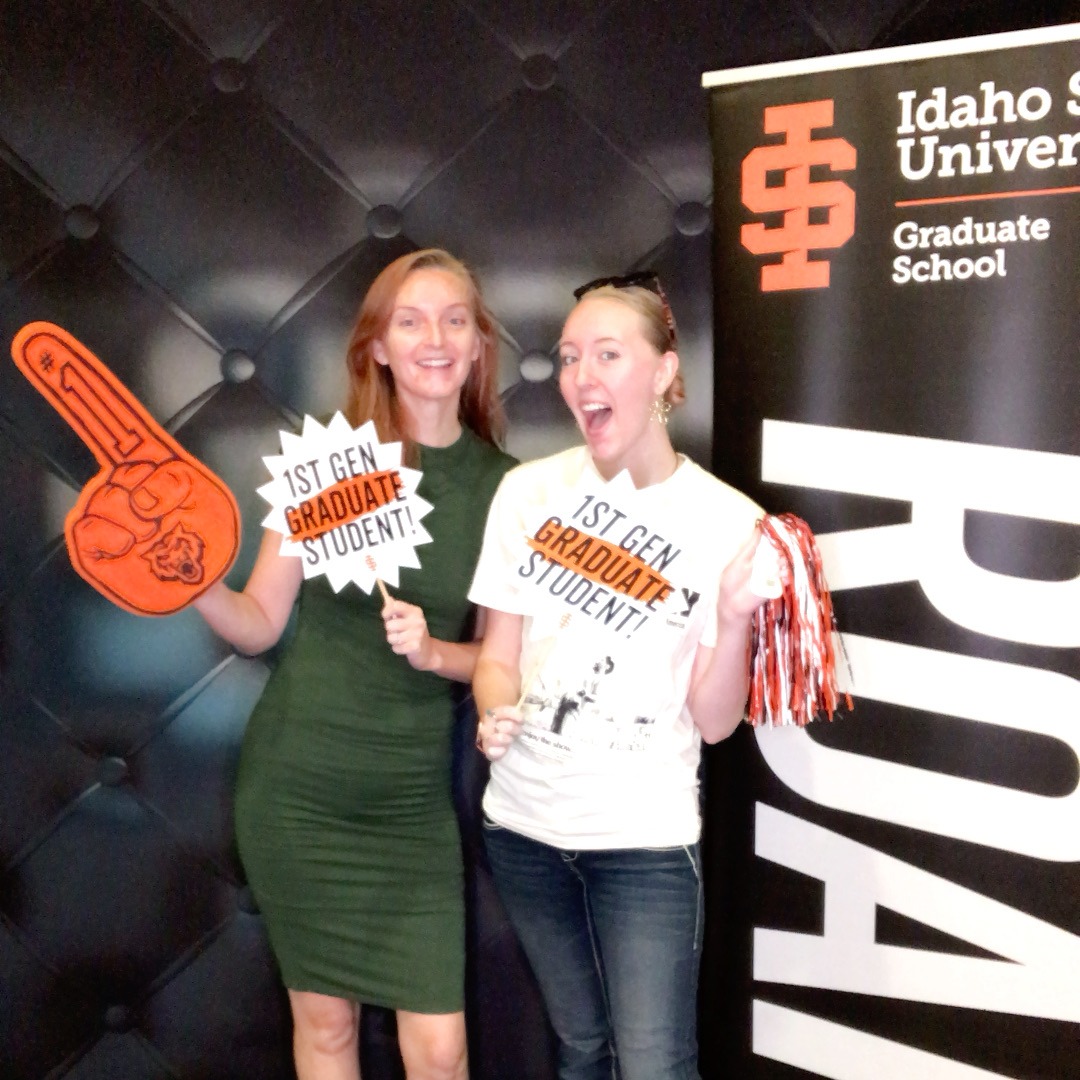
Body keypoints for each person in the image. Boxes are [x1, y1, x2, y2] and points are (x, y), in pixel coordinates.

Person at [193, 249, 516, 1080]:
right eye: (410, 321)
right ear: (377, 347)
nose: (434, 339)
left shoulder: (512, 491)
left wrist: (436, 650)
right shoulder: (332, 468)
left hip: (410, 809)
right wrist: (186, 581)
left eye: (454, 320)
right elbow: (260, 622)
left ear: (479, 345)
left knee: (440, 1054)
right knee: (327, 1031)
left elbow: (510, 659)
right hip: (298, 793)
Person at [468, 272, 764, 1080]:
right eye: (569, 358)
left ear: (665, 372)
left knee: (655, 1065)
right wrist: (492, 712)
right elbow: (497, 660)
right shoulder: (528, 493)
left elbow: (714, 723)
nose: (580, 378)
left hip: (643, 843)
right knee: (579, 1049)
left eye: (607, 353)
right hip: (523, 830)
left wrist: (734, 613)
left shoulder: (728, 521)